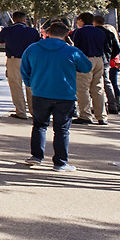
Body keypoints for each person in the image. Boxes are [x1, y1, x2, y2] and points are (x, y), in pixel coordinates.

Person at [20, 19, 92, 171]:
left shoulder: (32, 48)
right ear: (66, 35)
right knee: (62, 130)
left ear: (47, 33)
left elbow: (24, 69)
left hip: (40, 92)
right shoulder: (72, 51)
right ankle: (60, 162)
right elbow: (86, 67)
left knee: (39, 125)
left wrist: (30, 83)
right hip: (65, 94)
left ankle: (36, 156)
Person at [0, 12, 41, 119]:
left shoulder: (7, 30)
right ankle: (34, 111)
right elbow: (39, 44)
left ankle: (21, 112)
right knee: (31, 86)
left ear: (13, 19)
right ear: (24, 19)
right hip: (30, 60)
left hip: (14, 60)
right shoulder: (32, 31)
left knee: (16, 86)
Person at [70, 12, 109, 125]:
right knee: (98, 87)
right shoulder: (100, 31)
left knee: (82, 88)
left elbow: (76, 47)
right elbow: (106, 46)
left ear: (81, 20)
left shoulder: (80, 32)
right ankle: (101, 116)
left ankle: (85, 114)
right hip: (99, 59)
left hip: (85, 58)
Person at [95, 15, 120, 112]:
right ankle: (113, 104)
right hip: (107, 60)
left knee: (95, 83)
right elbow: (117, 49)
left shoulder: (96, 32)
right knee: (108, 82)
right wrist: (110, 56)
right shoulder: (109, 33)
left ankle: (98, 106)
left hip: (98, 58)